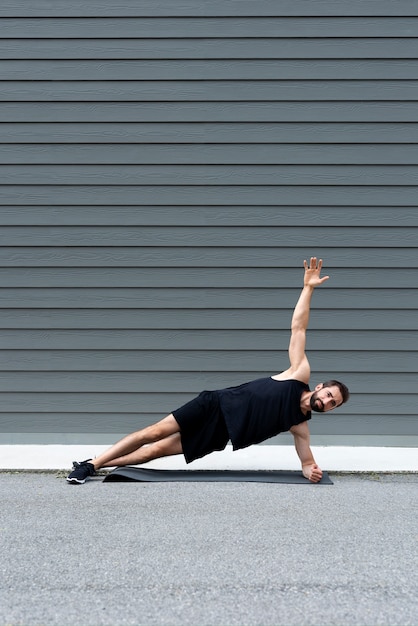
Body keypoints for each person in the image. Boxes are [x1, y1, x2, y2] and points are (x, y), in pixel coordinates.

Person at [67, 257, 349, 485]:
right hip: (213, 405)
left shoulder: (299, 426)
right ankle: (92, 465)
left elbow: (307, 462)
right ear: (320, 386)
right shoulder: (298, 374)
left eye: (331, 404)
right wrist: (308, 288)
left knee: (154, 451)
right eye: (328, 395)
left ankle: (96, 463)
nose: (325, 402)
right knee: (152, 433)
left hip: (219, 434)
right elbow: (298, 328)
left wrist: (310, 471)